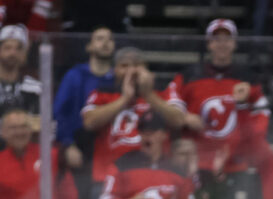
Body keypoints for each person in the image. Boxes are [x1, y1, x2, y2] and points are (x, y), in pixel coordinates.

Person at [170, 19, 270, 199]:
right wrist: (184, 117)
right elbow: (170, 103)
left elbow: (261, 113)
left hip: (232, 166)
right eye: (217, 39)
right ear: (209, 44)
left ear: (234, 44)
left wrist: (246, 143)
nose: (222, 44)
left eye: (227, 39)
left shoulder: (247, 77)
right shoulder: (190, 75)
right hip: (196, 165)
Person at [81, 47, 186, 185]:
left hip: (156, 174)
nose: (131, 71)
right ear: (115, 70)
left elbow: (178, 120)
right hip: (110, 176)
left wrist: (148, 95)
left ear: (147, 69)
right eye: (124, 66)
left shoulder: (163, 91)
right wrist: (124, 99)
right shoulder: (102, 92)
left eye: (137, 65)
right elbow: (89, 122)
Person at [0, 109, 77, 199]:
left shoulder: (50, 155)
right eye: (13, 128)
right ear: (3, 132)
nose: (19, 132)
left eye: (23, 127)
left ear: (31, 130)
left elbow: (69, 197)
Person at [52, 25, 113, 158]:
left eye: (110, 39)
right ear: (89, 46)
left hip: (108, 146)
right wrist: (68, 143)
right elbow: (59, 112)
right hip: (78, 144)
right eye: (100, 39)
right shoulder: (74, 75)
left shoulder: (117, 78)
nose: (105, 43)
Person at [0, 25, 39, 122]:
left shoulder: (35, 87)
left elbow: (39, 123)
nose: (13, 53)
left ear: (24, 53)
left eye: (18, 48)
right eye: (7, 48)